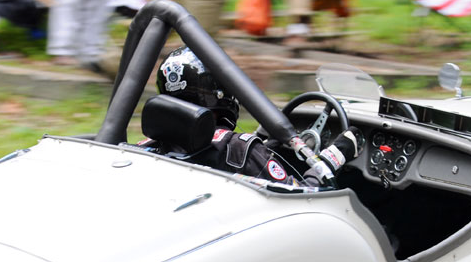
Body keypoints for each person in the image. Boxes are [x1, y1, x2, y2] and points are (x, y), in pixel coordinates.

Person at [144, 47, 361, 188]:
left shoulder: (145, 149)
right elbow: (304, 198)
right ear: (220, 91)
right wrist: (333, 157)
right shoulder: (239, 150)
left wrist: (268, 147)